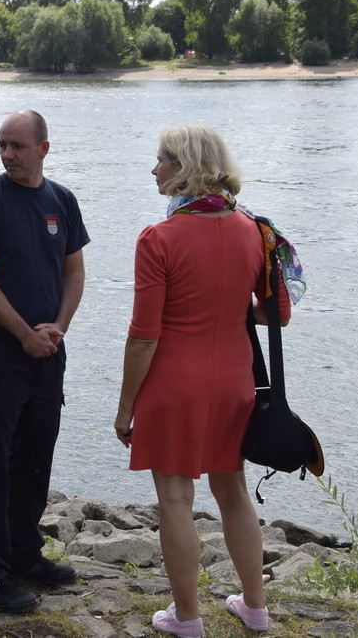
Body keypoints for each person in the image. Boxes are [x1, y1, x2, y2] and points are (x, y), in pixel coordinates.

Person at [114, 125, 301, 637]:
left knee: (175, 499)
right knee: (233, 489)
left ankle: (187, 619)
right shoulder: (255, 230)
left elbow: (144, 336)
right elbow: (278, 313)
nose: (153, 170)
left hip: (175, 384)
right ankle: (256, 609)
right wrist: (229, 302)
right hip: (236, 382)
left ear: (185, 168)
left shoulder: (159, 238)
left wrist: (125, 405)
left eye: (160, 161)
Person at [0, 109, 90, 613]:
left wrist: (57, 329)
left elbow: (74, 273)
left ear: (44, 149)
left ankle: (24, 554)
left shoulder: (63, 200)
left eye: (18, 146)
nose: (9, 155)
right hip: (0, 352)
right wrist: (23, 335)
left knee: (36, 457)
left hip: (48, 352)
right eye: (2, 146)